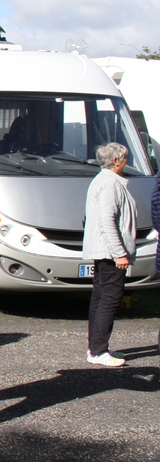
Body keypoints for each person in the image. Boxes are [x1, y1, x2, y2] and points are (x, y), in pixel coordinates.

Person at [82, 142, 137, 367]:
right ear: (116, 160)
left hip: (104, 250)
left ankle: (96, 348)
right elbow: (107, 220)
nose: (126, 161)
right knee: (109, 299)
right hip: (109, 251)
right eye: (124, 158)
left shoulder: (104, 180)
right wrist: (119, 253)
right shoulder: (110, 183)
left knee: (100, 297)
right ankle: (98, 350)